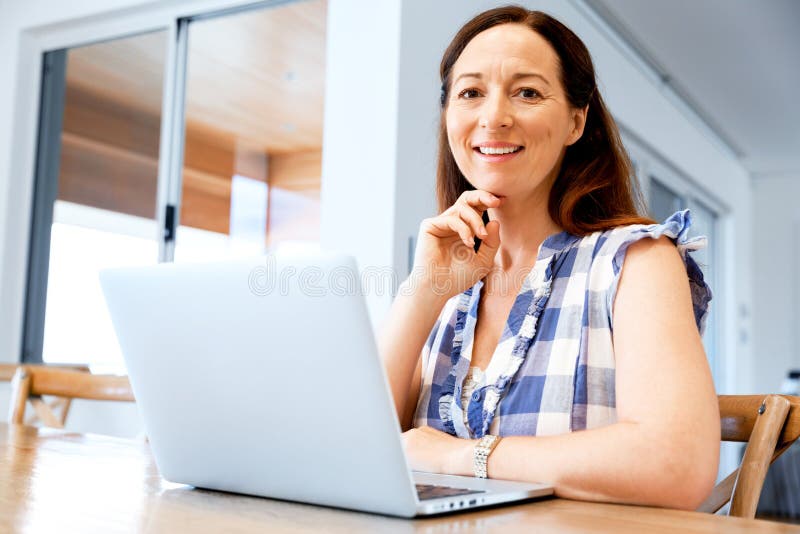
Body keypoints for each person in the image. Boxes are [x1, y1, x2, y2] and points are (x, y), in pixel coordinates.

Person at [377, 6, 719, 510]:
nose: (493, 117)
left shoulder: (637, 261)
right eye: (470, 92)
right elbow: (350, 446)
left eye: (527, 92)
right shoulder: (448, 284)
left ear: (575, 123)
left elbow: (675, 465)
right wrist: (421, 294)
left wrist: (458, 457)